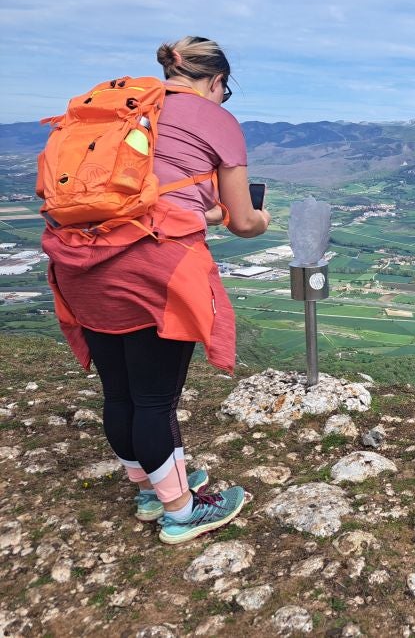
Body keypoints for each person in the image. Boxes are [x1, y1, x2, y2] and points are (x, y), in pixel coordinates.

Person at [41, 36, 270, 544]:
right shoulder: (215, 119)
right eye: (224, 92)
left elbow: (151, 201)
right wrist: (259, 218)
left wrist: (203, 211)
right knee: (155, 400)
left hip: (78, 263)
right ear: (217, 82)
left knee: (119, 392)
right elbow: (243, 222)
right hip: (152, 274)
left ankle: (152, 487)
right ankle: (181, 511)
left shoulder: (115, 112)